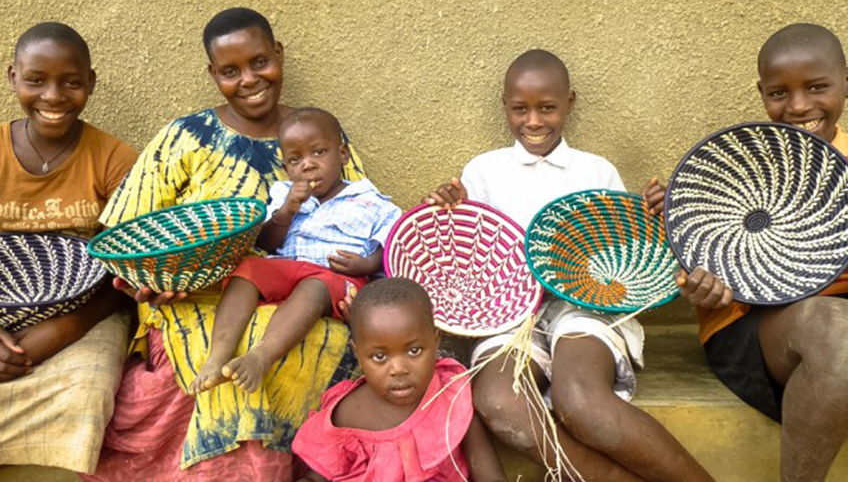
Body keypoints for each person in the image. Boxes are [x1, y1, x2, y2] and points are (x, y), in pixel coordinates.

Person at [86, 8, 367, 482]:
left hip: (300, 292)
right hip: (194, 298)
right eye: (231, 71)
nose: (250, 80)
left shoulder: (315, 134)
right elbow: (123, 233)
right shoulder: (186, 137)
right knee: (234, 356)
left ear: (279, 56)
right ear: (213, 74)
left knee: (319, 342)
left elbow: (361, 210)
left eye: (260, 62)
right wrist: (149, 283)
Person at [425, 49, 714, 481]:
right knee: (500, 402)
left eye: (548, 108)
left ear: (570, 103)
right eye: (520, 109)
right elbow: (469, 254)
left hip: (586, 307)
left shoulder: (595, 171)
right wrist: (449, 213)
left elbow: (623, 256)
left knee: (579, 401)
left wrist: (655, 220)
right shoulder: (483, 171)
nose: (534, 121)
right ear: (505, 106)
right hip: (510, 315)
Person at [644, 23, 848, 482]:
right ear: (761, 93)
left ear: (847, 81)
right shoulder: (729, 165)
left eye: (817, 87)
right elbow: (708, 272)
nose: (798, 106)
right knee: (836, 332)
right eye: (779, 92)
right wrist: (703, 282)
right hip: (752, 327)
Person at [0, 22, 137, 474]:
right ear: (12, 77)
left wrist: (65, 328)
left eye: (71, 82)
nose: (54, 96)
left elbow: (130, 273)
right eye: (36, 80)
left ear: (91, 83)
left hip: (90, 307)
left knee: (86, 390)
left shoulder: (115, 160)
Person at [189, 107, 401, 395]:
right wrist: (286, 211)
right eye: (295, 159)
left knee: (314, 286)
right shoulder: (283, 194)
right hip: (288, 266)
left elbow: (391, 249)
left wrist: (365, 265)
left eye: (319, 153)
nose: (308, 165)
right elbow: (267, 244)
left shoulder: (370, 200)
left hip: (336, 276)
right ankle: (217, 356)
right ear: (286, 166)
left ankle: (260, 357)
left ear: (343, 154)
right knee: (247, 270)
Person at [293, 277, 506, 482]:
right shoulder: (345, 414)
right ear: (357, 354)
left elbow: (490, 476)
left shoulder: (450, 396)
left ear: (435, 340)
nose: (398, 369)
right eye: (379, 357)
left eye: (414, 351)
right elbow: (315, 477)